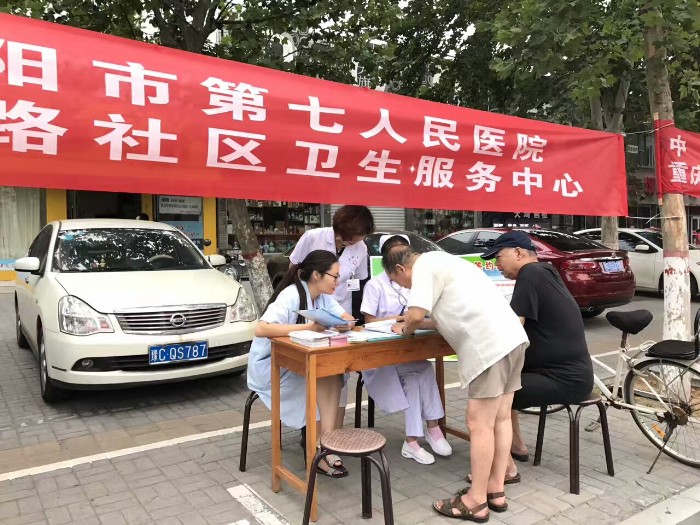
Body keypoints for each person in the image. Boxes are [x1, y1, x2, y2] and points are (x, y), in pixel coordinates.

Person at [383, 245, 529, 521]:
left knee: (479, 422)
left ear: (401, 269)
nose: (402, 286)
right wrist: (414, 323)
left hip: (489, 348)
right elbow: (445, 319)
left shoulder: (423, 266)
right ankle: (495, 489)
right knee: (501, 419)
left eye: (397, 280)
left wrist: (406, 328)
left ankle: (475, 500)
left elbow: (415, 314)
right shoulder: (447, 261)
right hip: (512, 339)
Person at [478, 231, 594, 485]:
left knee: (490, 395)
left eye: (498, 257)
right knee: (505, 382)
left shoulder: (530, 274)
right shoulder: (545, 271)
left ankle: (504, 470)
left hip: (564, 379)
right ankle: (516, 446)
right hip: (570, 374)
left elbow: (512, 329)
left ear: (519, 253)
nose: (496, 264)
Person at [246, 250, 356, 478]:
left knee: (334, 373)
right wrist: (308, 327)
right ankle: (318, 448)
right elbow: (262, 329)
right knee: (317, 380)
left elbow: (346, 317)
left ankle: (324, 443)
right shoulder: (290, 295)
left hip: (299, 361)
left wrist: (345, 324)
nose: (337, 282)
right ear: (316, 275)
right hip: (272, 366)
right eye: (334, 277)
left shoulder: (323, 297)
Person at [360, 234, 452, 465]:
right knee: (414, 376)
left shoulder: (416, 280)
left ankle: (431, 429)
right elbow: (368, 322)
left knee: (425, 368)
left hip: (407, 349)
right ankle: (414, 439)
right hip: (381, 354)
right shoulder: (374, 285)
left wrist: (410, 321)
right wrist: (398, 319)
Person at [289, 205, 375, 427]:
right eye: (356, 235)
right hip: (310, 310)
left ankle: (335, 431)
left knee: (340, 372)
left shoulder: (361, 247)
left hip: (339, 313)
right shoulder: (313, 237)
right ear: (343, 231)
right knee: (314, 371)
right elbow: (294, 269)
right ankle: (312, 430)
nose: (359, 240)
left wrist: (352, 320)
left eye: (362, 236)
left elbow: (359, 282)